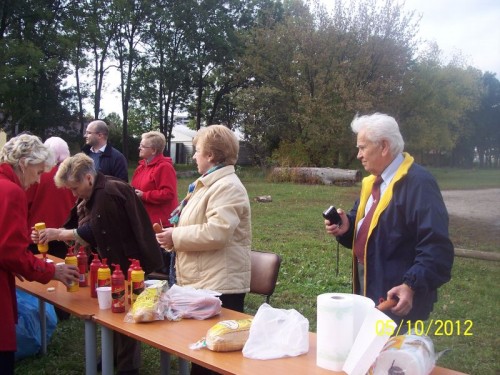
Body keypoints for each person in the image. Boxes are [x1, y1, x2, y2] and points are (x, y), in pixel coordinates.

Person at [32, 153, 163, 375]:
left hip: (129, 264)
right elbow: (81, 222)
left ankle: (126, 368)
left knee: (125, 316)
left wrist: (58, 234)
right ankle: (110, 358)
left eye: (74, 188)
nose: (74, 194)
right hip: (122, 262)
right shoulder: (99, 188)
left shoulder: (106, 194)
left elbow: (95, 230)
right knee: (115, 313)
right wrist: (52, 234)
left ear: (88, 179)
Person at [325, 113, 454, 325]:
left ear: (384, 146)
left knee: (393, 357)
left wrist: (411, 285)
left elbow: (437, 247)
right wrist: (346, 228)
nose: (358, 155)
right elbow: (370, 231)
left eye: (362, 147)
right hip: (370, 289)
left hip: (400, 300)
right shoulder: (372, 182)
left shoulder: (418, 184)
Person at [155, 125, 251, 375]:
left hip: (220, 288)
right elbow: (198, 226)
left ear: (211, 155)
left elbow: (217, 232)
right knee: (200, 355)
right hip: (203, 281)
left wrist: (176, 236)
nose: (194, 156)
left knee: (212, 364)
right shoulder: (208, 185)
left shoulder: (227, 186)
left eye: (197, 151)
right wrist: (173, 237)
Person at [0, 134, 79, 375]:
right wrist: (51, 270)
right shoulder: (10, 191)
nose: (37, 180)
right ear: (24, 162)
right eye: (37, 172)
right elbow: (9, 253)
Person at [26, 136, 76, 259]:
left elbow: (24, 205)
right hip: (67, 236)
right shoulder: (75, 176)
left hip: (37, 236)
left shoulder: (36, 174)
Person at [131, 131, 178, 226]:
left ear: (154, 150)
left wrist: (144, 195)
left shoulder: (164, 167)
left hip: (160, 223)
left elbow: (168, 193)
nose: (139, 148)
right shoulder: (141, 167)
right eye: (140, 145)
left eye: (143, 146)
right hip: (144, 220)